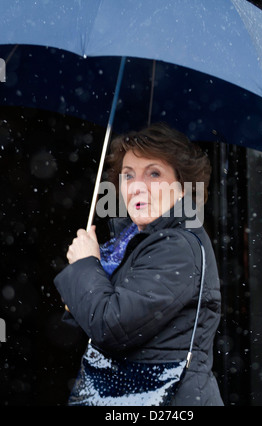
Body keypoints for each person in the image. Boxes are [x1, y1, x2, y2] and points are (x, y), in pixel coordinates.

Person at [54, 122, 223, 406]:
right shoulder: (132, 243)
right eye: (128, 175)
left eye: (153, 173)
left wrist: (85, 264)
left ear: (183, 187)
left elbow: (110, 325)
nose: (137, 187)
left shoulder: (177, 246)